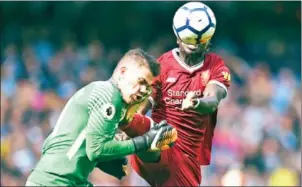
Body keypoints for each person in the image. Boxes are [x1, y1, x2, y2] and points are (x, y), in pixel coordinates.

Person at [25, 48, 178, 186]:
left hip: (57, 179)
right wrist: (144, 141)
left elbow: (66, 145)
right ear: (123, 72)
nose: (144, 90)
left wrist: (109, 161)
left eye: (148, 86)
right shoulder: (109, 96)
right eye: (141, 81)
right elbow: (96, 150)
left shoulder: (101, 92)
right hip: (55, 182)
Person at [119, 2, 231, 186]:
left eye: (198, 41)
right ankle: (139, 132)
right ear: (178, 36)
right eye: (189, 40)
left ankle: (142, 134)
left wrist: (197, 102)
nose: (193, 46)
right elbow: (146, 100)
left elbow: (213, 99)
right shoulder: (162, 65)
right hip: (158, 146)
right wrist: (133, 119)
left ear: (207, 39)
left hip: (186, 158)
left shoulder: (215, 66)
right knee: (156, 133)